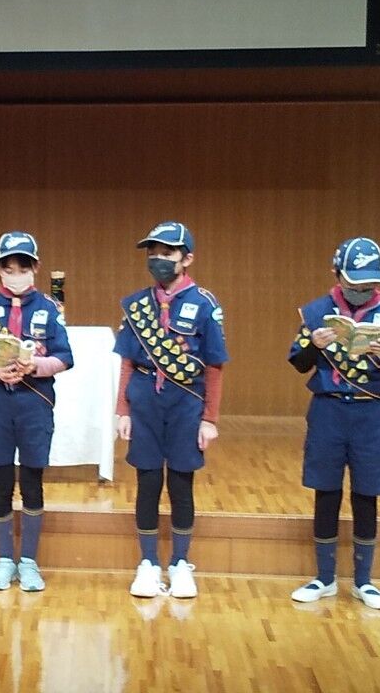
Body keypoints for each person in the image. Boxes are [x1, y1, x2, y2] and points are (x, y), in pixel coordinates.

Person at [287, 237, 380, 611]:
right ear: (336, 274)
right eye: (355, 282)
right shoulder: (316, 312)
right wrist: (314, 345)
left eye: (369, 283)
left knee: (366, 492)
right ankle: (324, 578)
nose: (362, 289)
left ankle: (363, 581)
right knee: (326, 491)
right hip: (328, 411)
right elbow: (298, 363)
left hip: (371, 413)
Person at [113, 221, 228, 599]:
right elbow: (127, 362)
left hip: (186, 402)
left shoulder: (205, 304)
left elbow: (214, 365)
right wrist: (123, 409)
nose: (158, 259)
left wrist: (209, 418)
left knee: (181, 484)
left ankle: (180, 562)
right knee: (147, 482)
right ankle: (148, 562)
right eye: (153, 253)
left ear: (187, 259)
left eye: (167, 253)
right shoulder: (137, 305)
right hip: (145, 400)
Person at [0, 232, 73, 592]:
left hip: (35, 403)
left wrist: (36, 366)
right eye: (8, 269)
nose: (15, 276)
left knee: (32, 481)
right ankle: (5, 559)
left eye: (22, 269)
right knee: (1, 481)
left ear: (35, 268)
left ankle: (29, 562)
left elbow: (65, 358)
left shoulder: (49, 309)